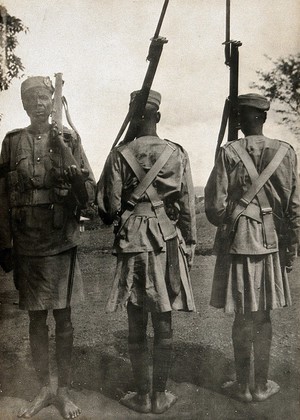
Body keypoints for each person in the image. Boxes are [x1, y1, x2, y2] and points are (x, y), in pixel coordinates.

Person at [0, 76, 96, 419]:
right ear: (25, 105)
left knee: (65, 319)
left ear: (52, 103)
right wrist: (4, 243)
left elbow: (89, 192)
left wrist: (73, 183)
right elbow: (2, 196)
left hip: (60, 241)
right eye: (33, 99)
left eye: (45, 98)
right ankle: (43, 388)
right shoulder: (12, 142)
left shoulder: (68, 138)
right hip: (27, 242)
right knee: (36, 320)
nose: (39, 103)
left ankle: (64, 391)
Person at [96, 90, 197, 414]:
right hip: (167, 239)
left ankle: (142, 396)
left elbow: (110, 209)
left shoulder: (119, 154)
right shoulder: (176, 153)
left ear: (133, 116)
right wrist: (190, 245)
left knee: (137, 320)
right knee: (164, 318)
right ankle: (160, 396)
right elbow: (187, 207)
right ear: (158, 116)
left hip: (134, 241)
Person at [205, 93, 300, 403]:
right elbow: (294, 206)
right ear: (264, 117)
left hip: (239, 241)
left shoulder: (229, 152)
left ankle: (243, 386)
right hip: (272, 241)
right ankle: (260, 386)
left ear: (240, 120)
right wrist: (292, 246)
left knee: (242, 317)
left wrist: (235, 209)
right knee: (264, 317)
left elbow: (215, 209)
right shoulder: (286, 151)